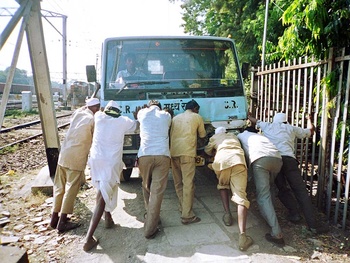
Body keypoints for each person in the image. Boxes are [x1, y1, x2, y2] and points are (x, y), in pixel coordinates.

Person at [248, 112, 329, 234]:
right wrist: (309, 119)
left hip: (276, 160)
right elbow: (310, 131)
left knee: (282, 189)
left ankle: (294, 213)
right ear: (286, 121)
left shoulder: (268, 126)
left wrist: (248, 114)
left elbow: (254, 120)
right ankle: (313, 225)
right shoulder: (291, 128)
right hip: (289, 161)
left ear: (274, 120)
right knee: (301, 192)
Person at [83, 100, 138, 251]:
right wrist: (137, 115)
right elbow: (136, 125)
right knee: (103, 196)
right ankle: (88, 239)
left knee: (103, 188)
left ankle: (108, 217)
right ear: (118, 112)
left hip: (96, 161)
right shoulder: (123, 121)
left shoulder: (99, 117)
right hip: (110, 163)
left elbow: (98, 110)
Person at [50, 97, 100, 233]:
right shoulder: (93, 120)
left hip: (64, 155)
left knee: (59, 187)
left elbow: (82, 109)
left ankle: (54, 219)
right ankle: (62, 222)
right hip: (76, 158)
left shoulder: (78, 113)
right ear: (96, 108)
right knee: (71, 189)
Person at [204, 126, 253, 251]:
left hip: (221, 162)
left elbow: (207, 151)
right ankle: (242, 237)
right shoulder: (233, 136)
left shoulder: (214, 137)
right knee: (241, 197)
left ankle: (227, 215)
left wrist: (213, 151)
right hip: (238, 161)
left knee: (223, 185)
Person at [237, 126, 284, 247]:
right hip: (277, 159)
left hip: (261, 161)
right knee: (270, 188)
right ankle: (270, 216)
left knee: (263, 196)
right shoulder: (261, 136)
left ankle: (276, 233)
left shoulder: (241, 135)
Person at [136, 100, 172, 239]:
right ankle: (150, 228)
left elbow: (138, 117)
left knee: (146, 187)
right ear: (160, 107)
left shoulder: (142, 113)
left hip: (144, 155)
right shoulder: (166, 116)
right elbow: (168, 121)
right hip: (162, 155)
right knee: (157, 191)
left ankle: (150, 217)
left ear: (148, 106)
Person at [170, 99, 206, 225]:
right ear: (195, 108)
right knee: (188, 183)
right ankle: (187, 215)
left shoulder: (175, 118)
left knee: (178, 183)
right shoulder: (197, 117)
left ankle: (183, 207)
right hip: (187, 153)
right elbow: (202, 135)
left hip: (173, 152)